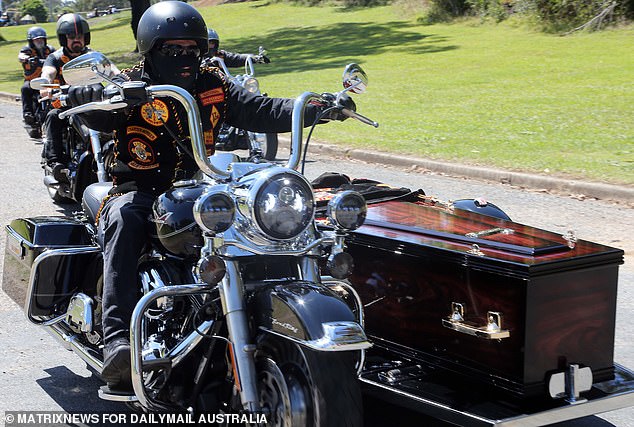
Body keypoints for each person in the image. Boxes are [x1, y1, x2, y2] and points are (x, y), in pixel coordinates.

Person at [67, 0, 352, 392]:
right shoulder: (130, 83)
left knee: (254, 222)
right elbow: (96, 111)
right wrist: (89, 97)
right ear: (151, 50)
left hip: (196, 190)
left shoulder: (212, 84)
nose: (185, 57)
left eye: (193, 48)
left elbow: (259, 109)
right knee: (124, 220)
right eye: (173, 49)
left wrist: (315, 107)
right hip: (137, 189)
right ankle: (117, 338)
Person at [40, 13, 92, 181]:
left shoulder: (92, 56)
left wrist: (123, 80)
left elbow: (112, 70)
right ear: (64, 39)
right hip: (63, 103)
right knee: (54, 116)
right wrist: (45, 85)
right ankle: (55, 162)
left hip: (90, 102)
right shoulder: (55, 57)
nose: (77, 40)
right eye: (71, 36)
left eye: (80, 36)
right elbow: (48, 72)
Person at [18, 26, 55, 136]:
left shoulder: (50, 50)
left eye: (41, 39)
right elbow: (21, 56)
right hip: (32, 81)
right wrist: (26, 59)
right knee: (25, 88)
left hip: (47, 82)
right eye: (36, 39)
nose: (40, 41)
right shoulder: (27, 50)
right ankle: (27, 114)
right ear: (31, 41)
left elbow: (58, 56)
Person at [203, 27, 270, 68]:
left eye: (213, 43)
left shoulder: (220, 56)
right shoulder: (197, 57)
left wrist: (254, 58)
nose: (211, 46)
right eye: (209, 43)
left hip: (221, 85)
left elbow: (237, 58)